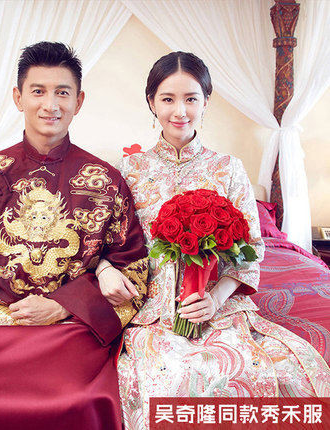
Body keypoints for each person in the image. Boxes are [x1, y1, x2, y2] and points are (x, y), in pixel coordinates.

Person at [0, 41, 148, 430]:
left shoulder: (106, 181)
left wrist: (63, 305)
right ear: (18, 98)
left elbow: (132, 269)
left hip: (72, 328)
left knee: (84, 400)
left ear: (79, 101)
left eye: (62, 93)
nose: (50, 104)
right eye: (38, 91)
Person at [96, 51, 330, 430]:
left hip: (217, 304)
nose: (180, 111)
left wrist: (215, 299)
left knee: (257, 370)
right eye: (168, 99)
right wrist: (106, 270)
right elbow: (105, 243)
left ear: (206, 101)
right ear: (151, 102)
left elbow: (251, 250)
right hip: (151, 308)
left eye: (191, 98)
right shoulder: (129, 170)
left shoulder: (228, 168)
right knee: (161, 378)